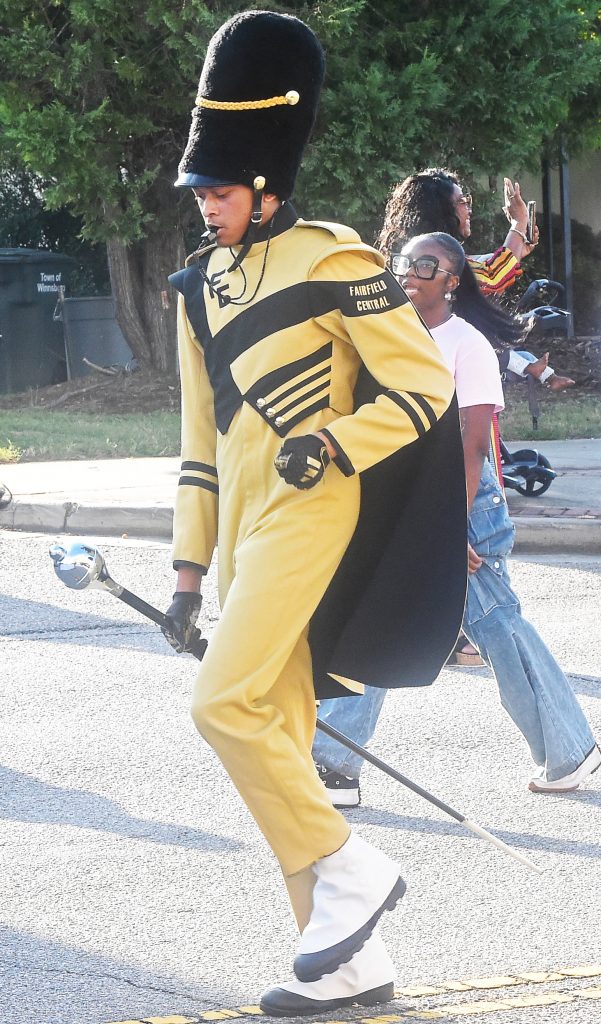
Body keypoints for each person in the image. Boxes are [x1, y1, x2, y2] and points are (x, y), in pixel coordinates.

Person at [162, 12, 467, 1016]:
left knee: (221, 706)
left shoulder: (336, 261)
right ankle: (346, 965)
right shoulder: (195, 289)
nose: (206, 205)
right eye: (199, 191)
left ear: (264, 183)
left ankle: (349, 866)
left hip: (313, 507)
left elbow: (423, 386)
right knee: (278, 738)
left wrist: (335, 442)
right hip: (244, 533)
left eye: (219, 189)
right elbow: (198, 445)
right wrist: (187, 573)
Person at [314, 232, 599, 808]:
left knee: (495, 625)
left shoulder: (466, 343)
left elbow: (472, 447)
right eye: (404, 262)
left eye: (427, 265)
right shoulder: (380, 333)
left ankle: (569, 748)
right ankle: (334, 763)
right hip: (399, 495)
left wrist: (450, 527)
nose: (411, 272)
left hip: (460, 499)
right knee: (383, 614)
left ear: (452, 281)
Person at [377, 168, 575, 391]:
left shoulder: (414, 252)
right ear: (442, 211)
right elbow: (489, 277)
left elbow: (476, 269)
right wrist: (519, 224)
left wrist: (517, 245)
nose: (469, 209)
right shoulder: (431, 260)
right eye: (462, 202)